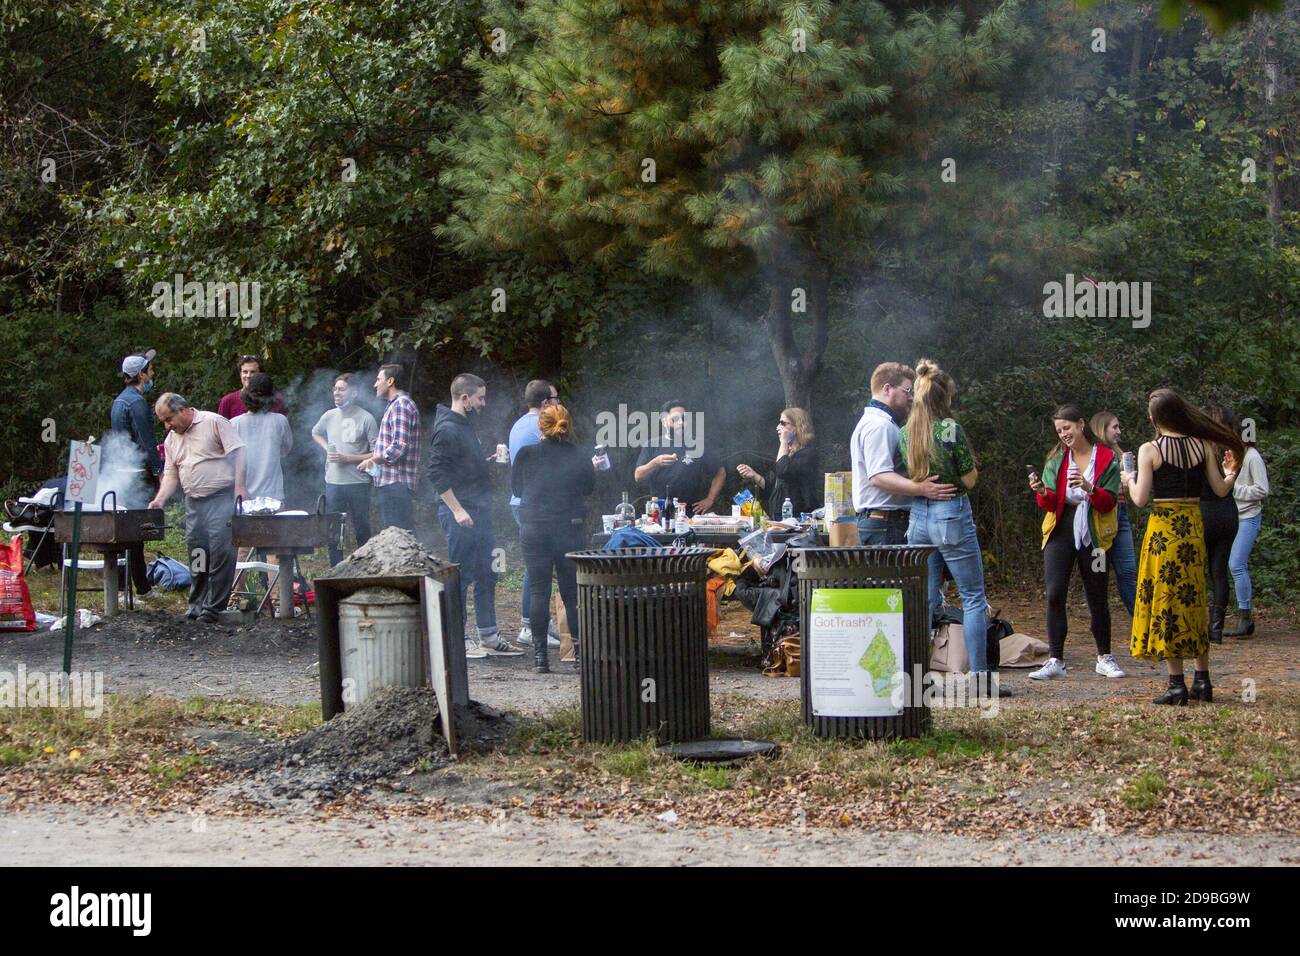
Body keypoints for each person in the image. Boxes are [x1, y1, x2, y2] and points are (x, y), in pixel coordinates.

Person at [1122, 388, 1242, 705]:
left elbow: (1139, 498)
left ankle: (1177, 684)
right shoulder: (1202, 445)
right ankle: (1203, 681)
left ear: (1153, 418)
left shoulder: (1150, 450)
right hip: (1192, 527)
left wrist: (1128, 477)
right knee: (1193, 597)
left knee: (1166, 601)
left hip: (1163, 529)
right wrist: (1231, 474)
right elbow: (1219, 489)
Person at [898, 361, 997, 687]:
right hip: (950, 514)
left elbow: (906, 474)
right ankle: (980, 679)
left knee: (923, 598)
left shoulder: (905, 432)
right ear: (944, 398)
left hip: (918, 517)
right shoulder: (950, 429)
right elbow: (969, 479)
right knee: (971, 596)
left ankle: (917, 676)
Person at [1028, 404, 1126, 681]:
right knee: (1055, 592)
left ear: (1081, 424)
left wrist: (1088, 486)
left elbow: (1109, 502)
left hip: (1094, 530)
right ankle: (1056, 659)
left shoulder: (1106, 458)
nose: (1064, 434)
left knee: (1097, 593)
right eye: (1059, 431)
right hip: (1061, 528)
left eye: (1067, 428)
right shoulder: (1057, 459)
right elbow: (1048, 502)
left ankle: (1104, 656)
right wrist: (1040, 491)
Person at [427, 373, 521, 658]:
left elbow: (460, 465)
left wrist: (485, 461)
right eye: (480, 398)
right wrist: (457, 510)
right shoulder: (446, 429)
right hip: (461, 513)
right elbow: (435, 473)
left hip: (479, 510)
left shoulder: (465, 425)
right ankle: (458, 638)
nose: (483, 402)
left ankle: (489, 636)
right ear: (464, 398)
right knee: (461, 576)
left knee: (486, 573)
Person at [147, 393, 247, 624]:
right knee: (198, 553)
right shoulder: (172, 438)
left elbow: (239, 452)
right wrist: (160, 499)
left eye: (169, 419)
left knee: (221, 552)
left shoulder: (213, 422)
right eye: (163, 421)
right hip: (194, 502)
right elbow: (171, 473)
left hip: (220, 497)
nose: (167, 425)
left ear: (182, 409)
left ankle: (213, 609)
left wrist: (240, 486)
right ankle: (196, 605)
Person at [511, 404, 596, 673]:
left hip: (534, 526)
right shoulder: (580, 455)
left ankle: (540, 658)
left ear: (541, 426)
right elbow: (589, 488)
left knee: (539, 590)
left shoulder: (526, 454)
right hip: (569, 527)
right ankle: (580, 656)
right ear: (569, 424)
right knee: (572, 593)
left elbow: (516, 488)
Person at [849, 362, 956, 544]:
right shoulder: (878, 425)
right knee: (892, 574)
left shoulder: (883, 423)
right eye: (907, 391)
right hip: (886, 524)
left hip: (885, 523)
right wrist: (922, 488)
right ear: (887, 389)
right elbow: (879, 476)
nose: (911, 398)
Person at [507, 379, 560, 649]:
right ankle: (529, 624)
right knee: (536, 567)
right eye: (555, 399)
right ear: (545, 403)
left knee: (536, 565)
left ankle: (540, 620)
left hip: (521, 500)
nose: (559, 403)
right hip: (533, 504)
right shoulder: (538, 426)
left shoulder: (519, 424)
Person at [109, 348, 162, 596]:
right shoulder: (137, 403)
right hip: (137, 472)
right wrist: (158, 471)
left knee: (122, 529)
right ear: (141, 375)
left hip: (120, 471)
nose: (152, 373)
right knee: (136, 531)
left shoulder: (118, 401)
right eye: (149, 369)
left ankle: (125, 586)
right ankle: (141, 587)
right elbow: (146, 442)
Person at [312, 373, 378, 565]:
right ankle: (336, 568)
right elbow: (315, 432)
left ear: (354, 392)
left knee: (362, 527)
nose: (336, 393)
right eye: (335, 389)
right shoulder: (329, 415)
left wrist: (347, 458)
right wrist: (327, 449)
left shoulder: (366, 418)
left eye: (341, 389)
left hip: (358, 482)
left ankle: (366, 566)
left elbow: (377, 453)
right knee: (334, 529)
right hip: (333, 482)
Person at [356, 363, 421, 532]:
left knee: (399, 538)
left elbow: (399, 446)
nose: (375, 384)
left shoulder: (401, 405)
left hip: (396, 484)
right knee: (396, 537)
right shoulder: (394, 405)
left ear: (390, 381)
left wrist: (372, 460)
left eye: (378, 379)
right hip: (391, 484)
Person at [634, 401, 724, 515]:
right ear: (664, 421)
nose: (681, 423)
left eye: (684, 418)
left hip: (690, 513)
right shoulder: (652, 445)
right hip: (658, 512)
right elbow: (638, 476)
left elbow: (720, 472)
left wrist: (710, 499)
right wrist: (655, 463)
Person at [1198, 404, 1240, 645]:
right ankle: (1216, 628)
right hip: (1226, 512)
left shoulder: (1200, 448)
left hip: (1203, 511)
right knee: (1219, 572)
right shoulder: (1233, 448)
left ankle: (1198, 625)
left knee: (1197, 571)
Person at [1224, 416, 1269, 638]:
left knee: (1236, 564)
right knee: (1232, 564)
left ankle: (1245, 617)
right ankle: (1242, 617)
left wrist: (1236, 491)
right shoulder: (1238, 457)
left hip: (1249, 517)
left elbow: (1262, 489)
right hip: (1235, 516)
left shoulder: (1252, 457)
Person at [1090, 411, 1137, 617]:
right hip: (1099, 521)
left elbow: (1130, 494)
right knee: (1097, 573)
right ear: (1102, 429)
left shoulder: (1120, 454)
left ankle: (1140, 623)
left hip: (1121, 516)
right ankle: (1099, 624)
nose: (1118, 431)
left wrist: (1131, 476)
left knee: (1128, 571)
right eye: (1114, 427)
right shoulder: (1093, 455)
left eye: (1119, 427)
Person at [736, 407, 820, 517]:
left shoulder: (808, 454)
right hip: (779, 516)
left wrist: (784, 442)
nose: (777, 428)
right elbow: (773, 488)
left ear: (796, 427)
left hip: (799, 518)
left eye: (782, 423)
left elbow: (782, 470)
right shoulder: (786, 454)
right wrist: (755, 475)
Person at [229, 373, 292, 502]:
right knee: (276, 523)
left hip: (243, 494)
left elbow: (229, 460)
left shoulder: (234, 424)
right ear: (271, 397)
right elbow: (285, 450)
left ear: (246, 395)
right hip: (273, 494)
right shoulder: (280, 421)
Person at [216, 355, 287, 419]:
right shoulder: (228, 401)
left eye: (253, 372)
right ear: (240, 374)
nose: (248, 376)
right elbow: (220, 430)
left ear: (261, 374)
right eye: (245, 372)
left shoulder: (276, 402)